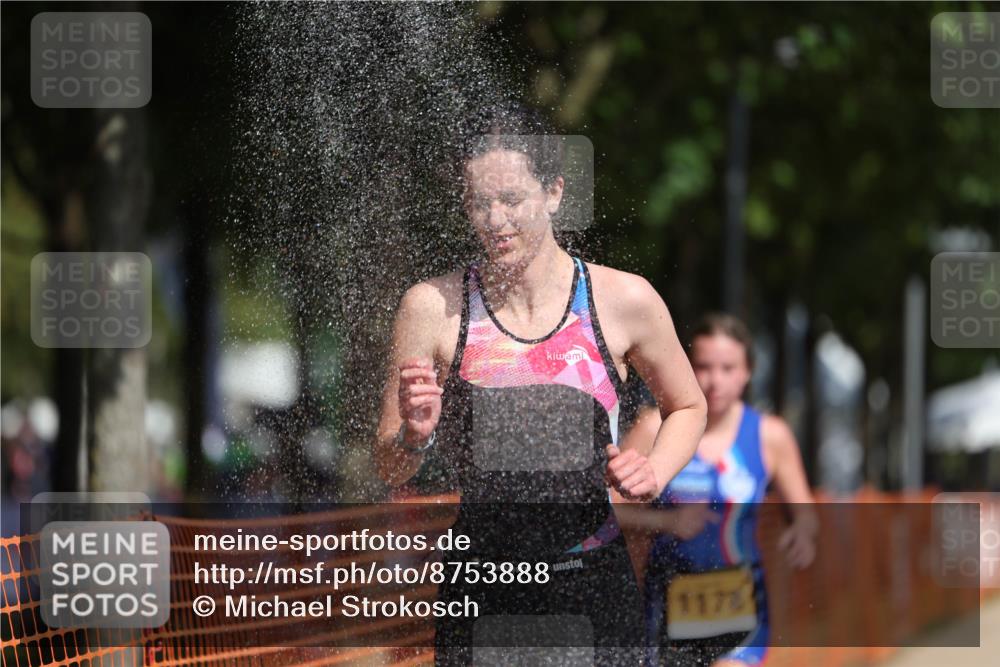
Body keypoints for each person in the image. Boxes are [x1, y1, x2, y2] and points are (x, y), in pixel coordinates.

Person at [373, 103, 708, 666]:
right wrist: (414, 435)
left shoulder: (623, 300)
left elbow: (688, 405)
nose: (495, 220)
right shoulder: (432, 307)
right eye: (479, 202)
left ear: (553, 192)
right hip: (481, 589)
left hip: (592, 584)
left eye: (511, 199)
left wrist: (656, 471)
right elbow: (388, 466)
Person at [618, 313, 818, 667]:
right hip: (665, 602)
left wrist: (803, 531)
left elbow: (805, 511)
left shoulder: (770, 435)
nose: (715, 381)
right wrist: (668, 523)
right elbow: (611, 509)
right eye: (704, 367)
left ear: (748, 372)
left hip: (739, 602)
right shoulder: (652, 428)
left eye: (728, 368)